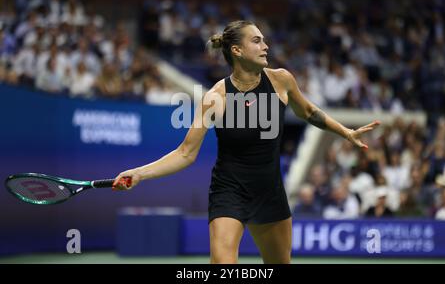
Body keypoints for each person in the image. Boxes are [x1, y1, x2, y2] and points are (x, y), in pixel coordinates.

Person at [112, 20, 381, 264]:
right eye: (257, 41)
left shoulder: (281, 81)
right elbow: (185, 153)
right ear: (237, 51)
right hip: (229, 190)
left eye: (263, 40)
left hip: (269, 190)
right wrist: (139, 173)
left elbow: (309, 112)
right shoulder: (216, 97)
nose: (265, 46)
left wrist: (345, 131)